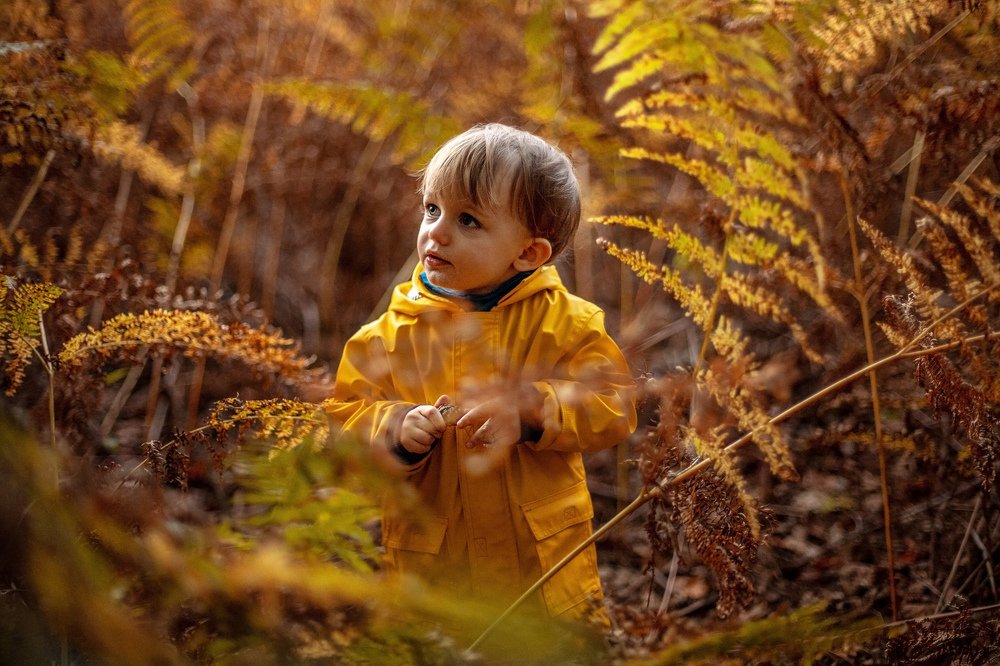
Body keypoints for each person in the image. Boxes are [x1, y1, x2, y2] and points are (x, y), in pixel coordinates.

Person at [329, 123, 636, 624]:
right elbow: (339, 425)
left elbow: (614, 405)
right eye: (432, 209)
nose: (438, 231)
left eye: (468, 220)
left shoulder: (567, 324)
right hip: (436, 573)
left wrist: (534, 411)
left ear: (528, 253)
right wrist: (393, 429)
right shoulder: (386, 338)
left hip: (541, 576)